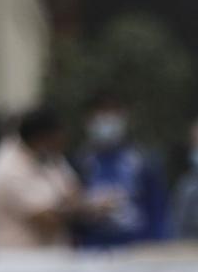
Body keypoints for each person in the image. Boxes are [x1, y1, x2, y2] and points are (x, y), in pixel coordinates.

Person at [70, 92, 168, 248]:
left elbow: (158, 210)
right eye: (101, 113)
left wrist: (157, 245)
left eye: (112, 112)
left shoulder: (143, 160)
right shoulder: (79, 162)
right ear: (88, 120)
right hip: (91, 248)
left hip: (136, 246)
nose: (107, 120)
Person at [0, 107, 82, 250]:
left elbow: (74, 191)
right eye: (57, 140)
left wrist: (70, 208)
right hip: (19, 265)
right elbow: (48, 222)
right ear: (42, 138)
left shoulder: (48, 155)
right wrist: (82, 210)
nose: (61, 146)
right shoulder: (9, 170)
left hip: (52, 262)